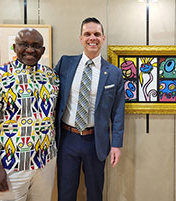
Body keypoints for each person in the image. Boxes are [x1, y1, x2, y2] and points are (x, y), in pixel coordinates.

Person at [0, 28, 59, 201]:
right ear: (14, 47)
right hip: (9, 167)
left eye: (36, 46)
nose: (30, 50)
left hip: (44, 163)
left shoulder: (51, 77)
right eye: (24, 45)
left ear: (43, 50)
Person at [55, 17, 125, 201]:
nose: (92, 38)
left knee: (95, 192)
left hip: (96, 141)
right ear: (80, 38)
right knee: (66, 192)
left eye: (96, 34)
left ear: (103, 38)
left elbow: (118, 112)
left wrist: (116, 144)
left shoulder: (114, 73)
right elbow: (48, 89)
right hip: (67, 139)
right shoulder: (65, 64)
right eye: (87, 34)